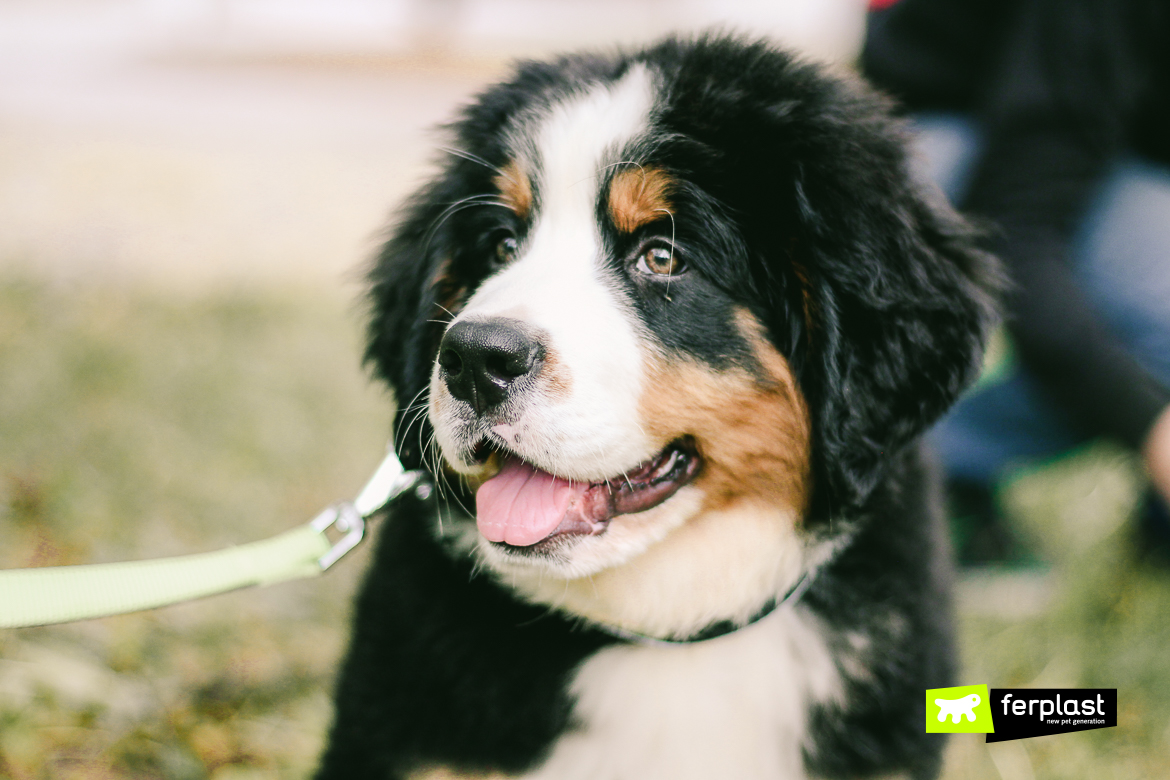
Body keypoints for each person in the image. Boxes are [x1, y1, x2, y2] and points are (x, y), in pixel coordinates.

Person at [862, 0, 1170, 563]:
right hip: (944, 143)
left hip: (1095, 152)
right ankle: (908, 459)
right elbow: (1016, 237)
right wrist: (1150, 425)